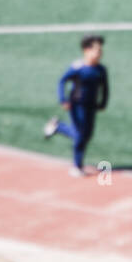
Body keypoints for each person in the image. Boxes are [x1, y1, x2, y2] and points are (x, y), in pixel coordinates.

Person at [44, 35, 109, 177]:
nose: (99, 54)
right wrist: (63, 99)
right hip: (77, 105)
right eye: (96, 50)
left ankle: (57, 127)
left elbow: (105, 87)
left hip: (91, 106)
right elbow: (62, 81)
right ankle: (77, 166)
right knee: (80, 135)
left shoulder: (100, 69)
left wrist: (103, 102)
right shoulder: (78, 68)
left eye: (100, 51)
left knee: (87, 135)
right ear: (86, 50)